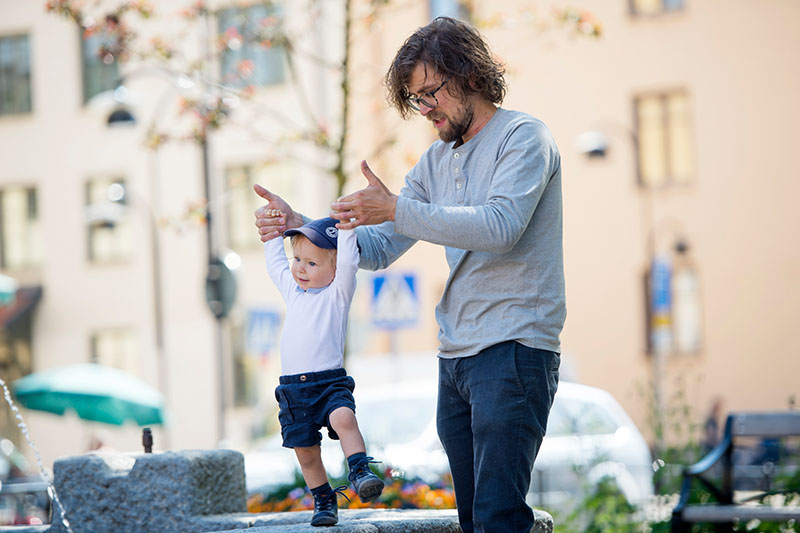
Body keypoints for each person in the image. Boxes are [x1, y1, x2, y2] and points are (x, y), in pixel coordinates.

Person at [254, 17, 565, 533]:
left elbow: (501, 226)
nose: (426, 111)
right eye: (416, 101)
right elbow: (375, 248)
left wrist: (396, 207)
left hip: (515, 347)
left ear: (469, 74)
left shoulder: (524, 138)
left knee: (499, 517)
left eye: (430, 94)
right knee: (474, 521)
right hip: (456, 359)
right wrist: (301, 226)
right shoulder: (435, 162)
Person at [260, 213, 384, 527]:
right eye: (298, 259)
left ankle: (359, 470)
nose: (300, 267)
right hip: (293, 390)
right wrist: (272, 236)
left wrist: (346, 229)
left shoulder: (337, 294)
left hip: (329, 382)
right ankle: (324, 498)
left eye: (312, 263)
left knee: (344, 417)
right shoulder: (294, 293)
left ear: (333, 268)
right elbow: (276, 265)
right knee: (305, 449)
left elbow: (348, 265)